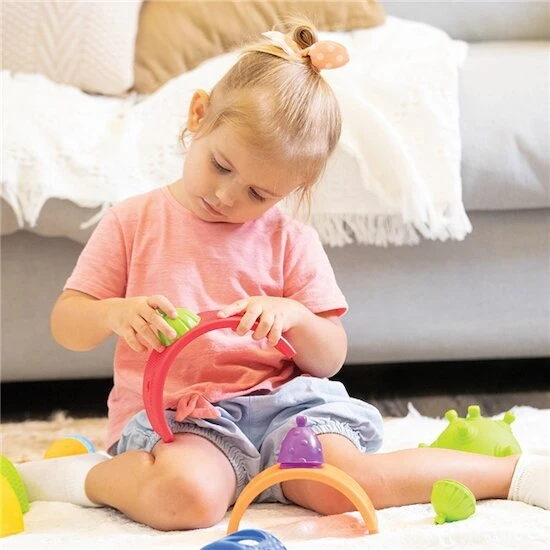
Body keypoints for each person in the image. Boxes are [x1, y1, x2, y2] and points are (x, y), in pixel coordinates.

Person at [16, 20, 548, 531]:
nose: (227, 195)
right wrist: (114, 314)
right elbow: (68, 324)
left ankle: (515, 475)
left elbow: (329, 357)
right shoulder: (132, 221)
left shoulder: (291, 240)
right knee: (189, 497)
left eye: (258, 193)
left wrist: (295, 317)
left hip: (286, 408)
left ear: (290, 190)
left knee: (347, 485)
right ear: (198, 116)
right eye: (221, 166)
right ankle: (78, 478)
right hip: (182, 415)